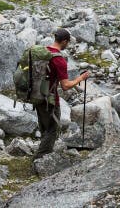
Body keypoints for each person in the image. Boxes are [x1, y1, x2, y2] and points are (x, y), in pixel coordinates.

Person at [34, 28, 89, 161]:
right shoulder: (59, 60)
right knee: (53, 129)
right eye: (68, 42)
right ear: (64, 41)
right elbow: (65, 86)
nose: (68, 44)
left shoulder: (43, 51)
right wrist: (80, 79)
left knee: (44, 126)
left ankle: (44, 150)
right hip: (50, 99)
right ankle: (40, 159)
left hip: (36, 94)